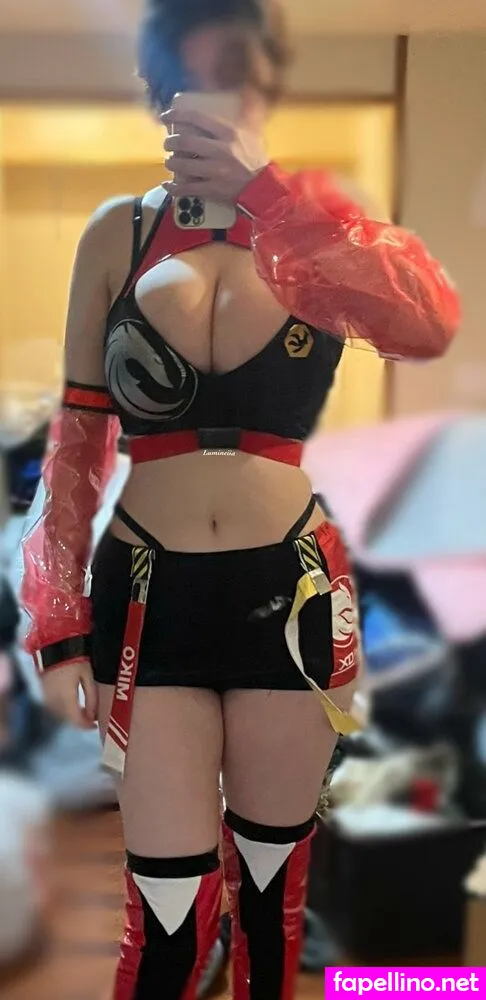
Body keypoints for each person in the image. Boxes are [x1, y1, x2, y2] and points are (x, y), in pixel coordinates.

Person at [19, 0, 460, 997]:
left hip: (290, 595)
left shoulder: (323, 221)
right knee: (167, 918)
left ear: (265, 88)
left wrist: (270, 193)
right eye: (193, 77)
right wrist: (57, 627)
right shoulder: (119, 232)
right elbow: (78, 440)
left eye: (239, 75)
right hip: (148, 598)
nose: (218, 97)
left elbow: (425, 325)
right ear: (160, 96)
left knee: (272, 903)